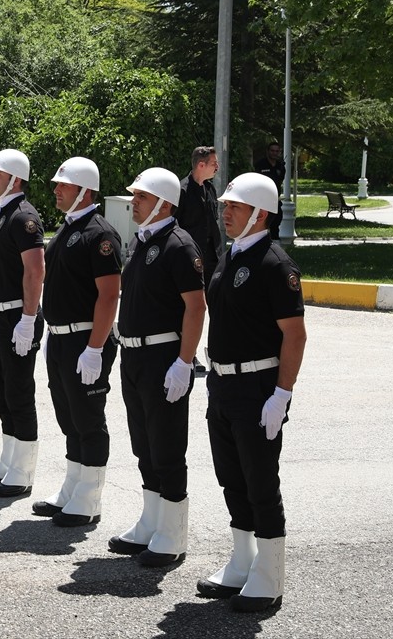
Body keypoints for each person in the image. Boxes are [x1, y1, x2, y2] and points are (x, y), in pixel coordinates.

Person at [197, 172, 306, 613]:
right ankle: (243, 561)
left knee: (261, 481)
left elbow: (294, 337)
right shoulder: (230, 255)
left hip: (257, 386)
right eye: (224, 206)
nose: (225, 212)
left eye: (234, 207)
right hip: (223, 384)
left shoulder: (276, 265)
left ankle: (270, 575)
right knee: (232, 478)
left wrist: (282, 394)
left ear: (260, 214)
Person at [107, 168, 206, 563]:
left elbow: (196, 308)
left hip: (163, 357)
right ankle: (151, 521)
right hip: (133, 355)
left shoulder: (179, 245)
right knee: (143, 445)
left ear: (164, 203)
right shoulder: (141, 241)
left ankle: (173, 531)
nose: (135, 202)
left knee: (166, 447)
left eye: (143, 197)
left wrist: (184, 361)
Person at [32, 157, 121, 526]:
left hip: (87, 339)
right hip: (62, 339)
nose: (55, 190)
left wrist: (95, 348)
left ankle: (90, 497)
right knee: (69, 418)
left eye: (63, 186)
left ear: (84, 191)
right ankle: (72, 485)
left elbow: (109, 296)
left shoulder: (100, 235)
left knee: (88, 419)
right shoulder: (70, 228)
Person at [0, 149, 45, 497]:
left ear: (15, 179)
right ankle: (8, 459)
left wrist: (28, 319)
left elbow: (35, 271)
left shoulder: (23, 217)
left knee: (18, 392)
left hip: (17, 315)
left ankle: (24, 469)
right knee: (0, 391)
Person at [174, 146, 220, 373]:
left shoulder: (210, 189)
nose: (217, 167)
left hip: (212, 259)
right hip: (189, 261)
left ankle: (217, 352)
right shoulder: (181, 191)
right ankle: (188, 355)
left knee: (217, 307)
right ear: (201, 165)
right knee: (189, 309)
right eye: (214, 163)